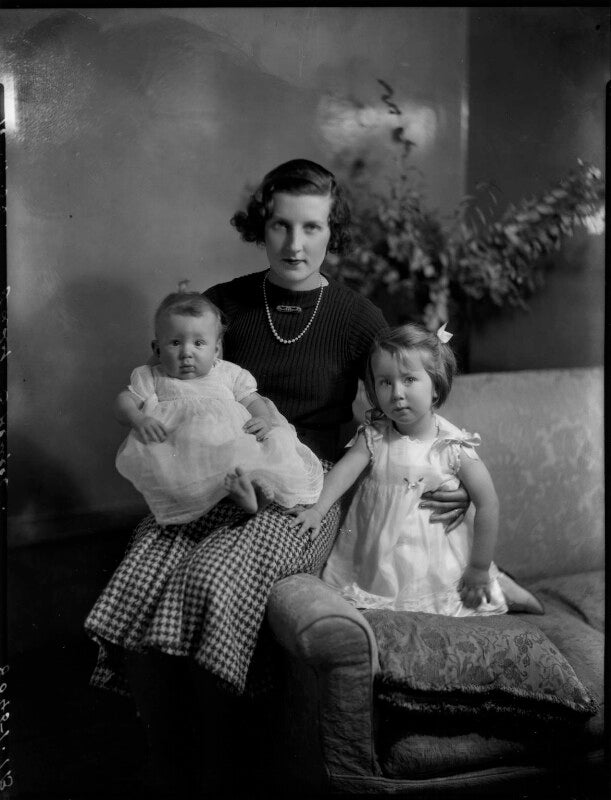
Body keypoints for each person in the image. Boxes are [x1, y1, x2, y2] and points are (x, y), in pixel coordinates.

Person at [84, 159, 469, 797]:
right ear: (261, 228)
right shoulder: (225, 304)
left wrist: (446, 472)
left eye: (312, 228)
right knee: (145, 563)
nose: (296, 244)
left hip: (308, 484)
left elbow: (408, 401)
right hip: (213, 475)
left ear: (331, 232)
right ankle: (172, 770)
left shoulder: (355, 315)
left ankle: (233, 774)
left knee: (214, 577)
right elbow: (175, 388)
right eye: (282, 225)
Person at [289, 322, 507, 616]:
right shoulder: (374, 436)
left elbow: (488, 502)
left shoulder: (452, 445)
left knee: (446, 607)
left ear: (435, 386)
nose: (396, 393)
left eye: (409, 380)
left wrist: (479, 566)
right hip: (376, 556)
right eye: (385, 382)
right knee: (378, 609)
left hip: (433, 559)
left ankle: (499, 584)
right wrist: (317, 510)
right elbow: (343, 472)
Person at [114, 289, 323, 522]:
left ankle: (250, 491)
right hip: (184, 453)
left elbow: (254, 400)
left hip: (231, 443)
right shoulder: (152, 377)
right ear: (157, 349)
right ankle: (231, 493)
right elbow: (125, 401)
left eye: (199, 343)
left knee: (256, 450)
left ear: (215, 349)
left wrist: (263, 419)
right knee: (176, 478)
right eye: (175, 342)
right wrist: (139, 419)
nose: (187, 353)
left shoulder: (229, 374)